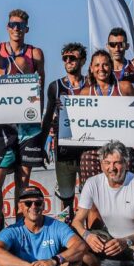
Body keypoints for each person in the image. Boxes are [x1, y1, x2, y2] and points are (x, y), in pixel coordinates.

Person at [0, 32, 43, 225]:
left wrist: (36, 91)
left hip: (26, 129)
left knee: (23, 183)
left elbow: (33, 94)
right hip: (2, 132)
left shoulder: (20, 63)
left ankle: (22, 227)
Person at [40, 42, 89, 217]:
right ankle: (68, 227)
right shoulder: (55, 86)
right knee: (66, 195)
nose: (68, 61)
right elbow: (47, 117)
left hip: (87, 150)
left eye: (72, 58)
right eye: (65, 58)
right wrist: (41, 146)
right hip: (64, 149)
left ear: (82, 60)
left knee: (89, 195)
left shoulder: (91, 84)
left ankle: (90, 228)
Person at [78, 50, 134, 182]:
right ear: (91, 68)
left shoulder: (125, 87)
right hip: (95, 149)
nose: (101, 68)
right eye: (97, 65)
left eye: (105, 65)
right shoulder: (85, 93)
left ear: (111, 66)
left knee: (127, 186)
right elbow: (79, 121)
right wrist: (63, 107)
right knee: (86, 160)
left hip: (122, 147)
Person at [0, 9, 46, 88]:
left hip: (25, 95)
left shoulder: (35, 53)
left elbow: (40, 87)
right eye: (12, 24)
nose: (16, 28)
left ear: (26, 29)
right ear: (7, 27)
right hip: (2, 94)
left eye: (21, 25)